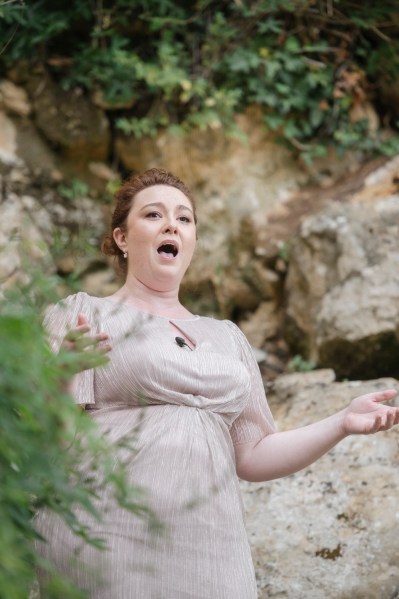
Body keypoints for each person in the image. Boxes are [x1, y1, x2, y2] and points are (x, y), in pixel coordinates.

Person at [35, 168, 399, 599]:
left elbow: (254, 455)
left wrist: (341, 422)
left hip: (212, 546)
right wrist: (62, 373)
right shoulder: (82, 313)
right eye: (153, 215)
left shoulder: (227, 337)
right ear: (121, 238)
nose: (172, 224)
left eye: (184, 218)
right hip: (108, 530)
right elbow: (42, 436)